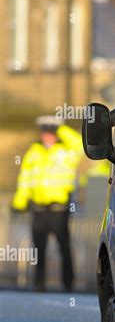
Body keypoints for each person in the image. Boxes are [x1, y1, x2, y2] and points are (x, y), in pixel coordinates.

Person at [12, 116, 83, 292]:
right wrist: (19, 202)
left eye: (51, 133)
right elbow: (25, 180)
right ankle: (39, 283)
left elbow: (80, 145)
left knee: (63, 246)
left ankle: (68, 283)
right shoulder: (34, 152)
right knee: (39, 248)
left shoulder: (66, 151)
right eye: (45, 132)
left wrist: (61, 128)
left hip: (59, 208)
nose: (47, 137)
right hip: (38, 208)